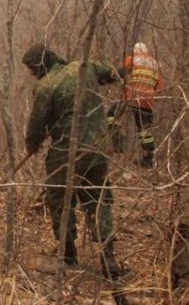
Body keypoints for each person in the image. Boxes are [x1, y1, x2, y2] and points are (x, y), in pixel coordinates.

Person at [22, 43, 125, 281]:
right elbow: (114, 73)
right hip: (97, 150)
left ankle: (68, 254)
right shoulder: (85, 68)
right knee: (98, 200)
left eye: (30, 69)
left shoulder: (45, 87)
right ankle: (108, 255)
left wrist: (32, 145)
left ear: (40, 64)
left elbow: (36, 125)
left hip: (64, 153)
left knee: (59, 200)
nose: (30, 74)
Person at [107, 42, 163, 168]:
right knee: (145, 131)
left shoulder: (132, 59)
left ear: (135, 50)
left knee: (111, 115)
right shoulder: (154, 64)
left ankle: (118, 143)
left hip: (131, 97)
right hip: (148, 101)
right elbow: (159, 86)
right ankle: (149, 158)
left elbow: (119, 74)